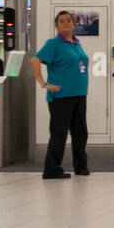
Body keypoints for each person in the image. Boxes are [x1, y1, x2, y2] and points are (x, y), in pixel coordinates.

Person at [31, 10, 90, 179]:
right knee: (59, 133)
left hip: (79, 94)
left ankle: (81, 167)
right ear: (56, 26)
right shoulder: (53, 44)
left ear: (73, 24)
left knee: (80, 132)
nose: (65, 23)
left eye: (68, 20)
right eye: (61, 21)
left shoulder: (76, 43)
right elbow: (35, 61)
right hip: (61, 96)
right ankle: (51, 169)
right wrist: (44, 83)